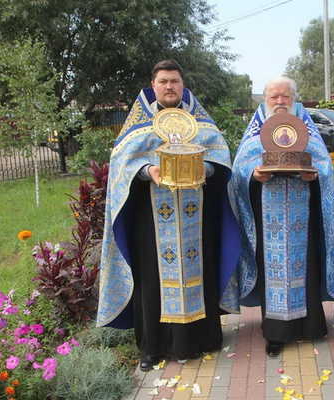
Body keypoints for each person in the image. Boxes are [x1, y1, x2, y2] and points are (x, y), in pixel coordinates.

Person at [96, 60, 240, 371]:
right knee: (152, 280)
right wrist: (148, 170)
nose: (169, 86)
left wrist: (205, 168)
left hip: (196, 217)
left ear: (182, 85)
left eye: (174, 81)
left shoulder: (200, 124)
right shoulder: (138, 126)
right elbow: (122, 164)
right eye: (163, 81)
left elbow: (220, 156)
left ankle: (200, 341)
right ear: (154, 86)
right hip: (151, 219)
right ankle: (153, 348)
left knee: (199, 274)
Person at [221, 76, 334, 357]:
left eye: (285, 97)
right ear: (265, 100)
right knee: (273, 273)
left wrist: (314, 176)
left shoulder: (307, 129)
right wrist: (254, 176)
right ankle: (276, 334)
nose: (280, 102)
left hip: (304, 215)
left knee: (307, 265)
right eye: (274, 97)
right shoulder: (255, 132)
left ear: (294, 99)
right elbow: (240, 171)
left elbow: (325, 169)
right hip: (268, 218)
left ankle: (311, 326)